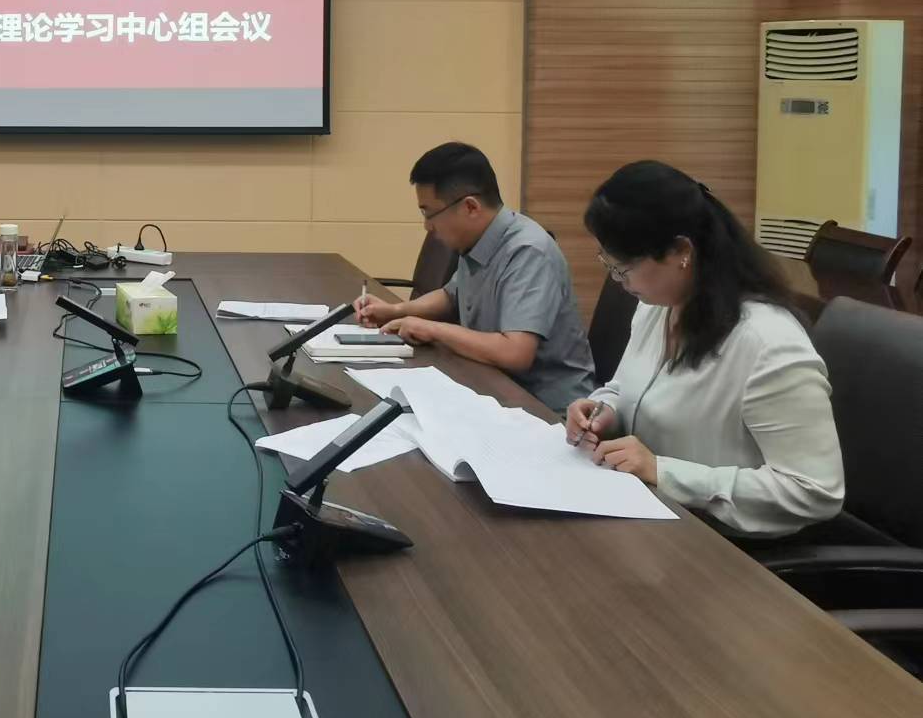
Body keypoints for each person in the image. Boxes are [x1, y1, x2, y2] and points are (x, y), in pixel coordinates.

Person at [564, 161, 844, 538]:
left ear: (681, 251)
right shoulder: (656, 308)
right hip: (653, 515)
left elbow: (814, 491)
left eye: (623, 268)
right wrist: (605, 409)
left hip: (724, 545)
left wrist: (663, 471)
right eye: (609, 265)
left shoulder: (768, 345)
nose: (618, 281)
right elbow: (629, 386)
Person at [354, 141, 595, 412]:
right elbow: (451, 296)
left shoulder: (528, 251)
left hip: (546, 410)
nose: (427, 226)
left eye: (430, 213)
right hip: (493, 388)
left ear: (470, 207)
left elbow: (515, 353)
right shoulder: (477, 239)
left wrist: (432, 329)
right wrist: (394, 310)